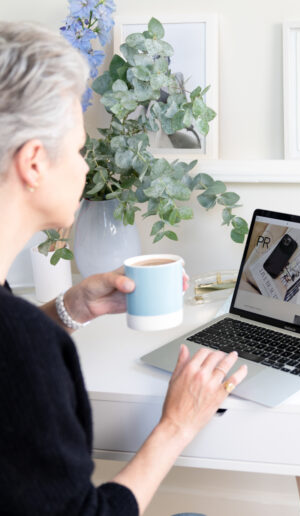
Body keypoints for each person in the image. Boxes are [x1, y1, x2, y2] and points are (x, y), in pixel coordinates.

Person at [0, 21, 248, 515]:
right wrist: (177, 424)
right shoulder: (23, 345)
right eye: (76, 150)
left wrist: (71, 308)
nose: (86, 168)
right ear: (33, 163)